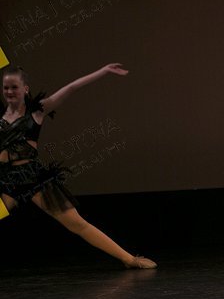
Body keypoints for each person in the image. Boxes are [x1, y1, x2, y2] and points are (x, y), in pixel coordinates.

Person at [0, 63, 156, 269]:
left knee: (76, 224)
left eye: (14, 87)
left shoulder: (37, 112)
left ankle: (129, 259)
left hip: (32, 178)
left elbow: (71, 88)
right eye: (6, 88)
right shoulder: (1, 117)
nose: (9, 92)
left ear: (25, 89)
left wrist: (102, 72)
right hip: (7, 180)